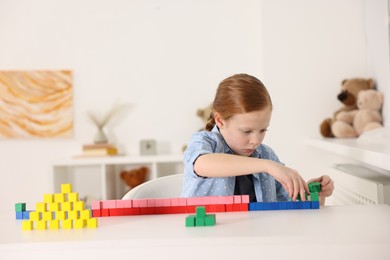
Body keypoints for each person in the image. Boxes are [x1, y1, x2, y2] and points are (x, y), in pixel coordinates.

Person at [181, 73, 334, 205]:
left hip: (257, 237)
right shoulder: (204, 142)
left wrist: (314, 195)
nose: (256, 140)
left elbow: (290, 208)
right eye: (246, 131)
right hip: (208, 238)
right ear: (220, 121)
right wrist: (268, 166)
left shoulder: (267, 155)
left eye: (263, 130)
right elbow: (201, 164)